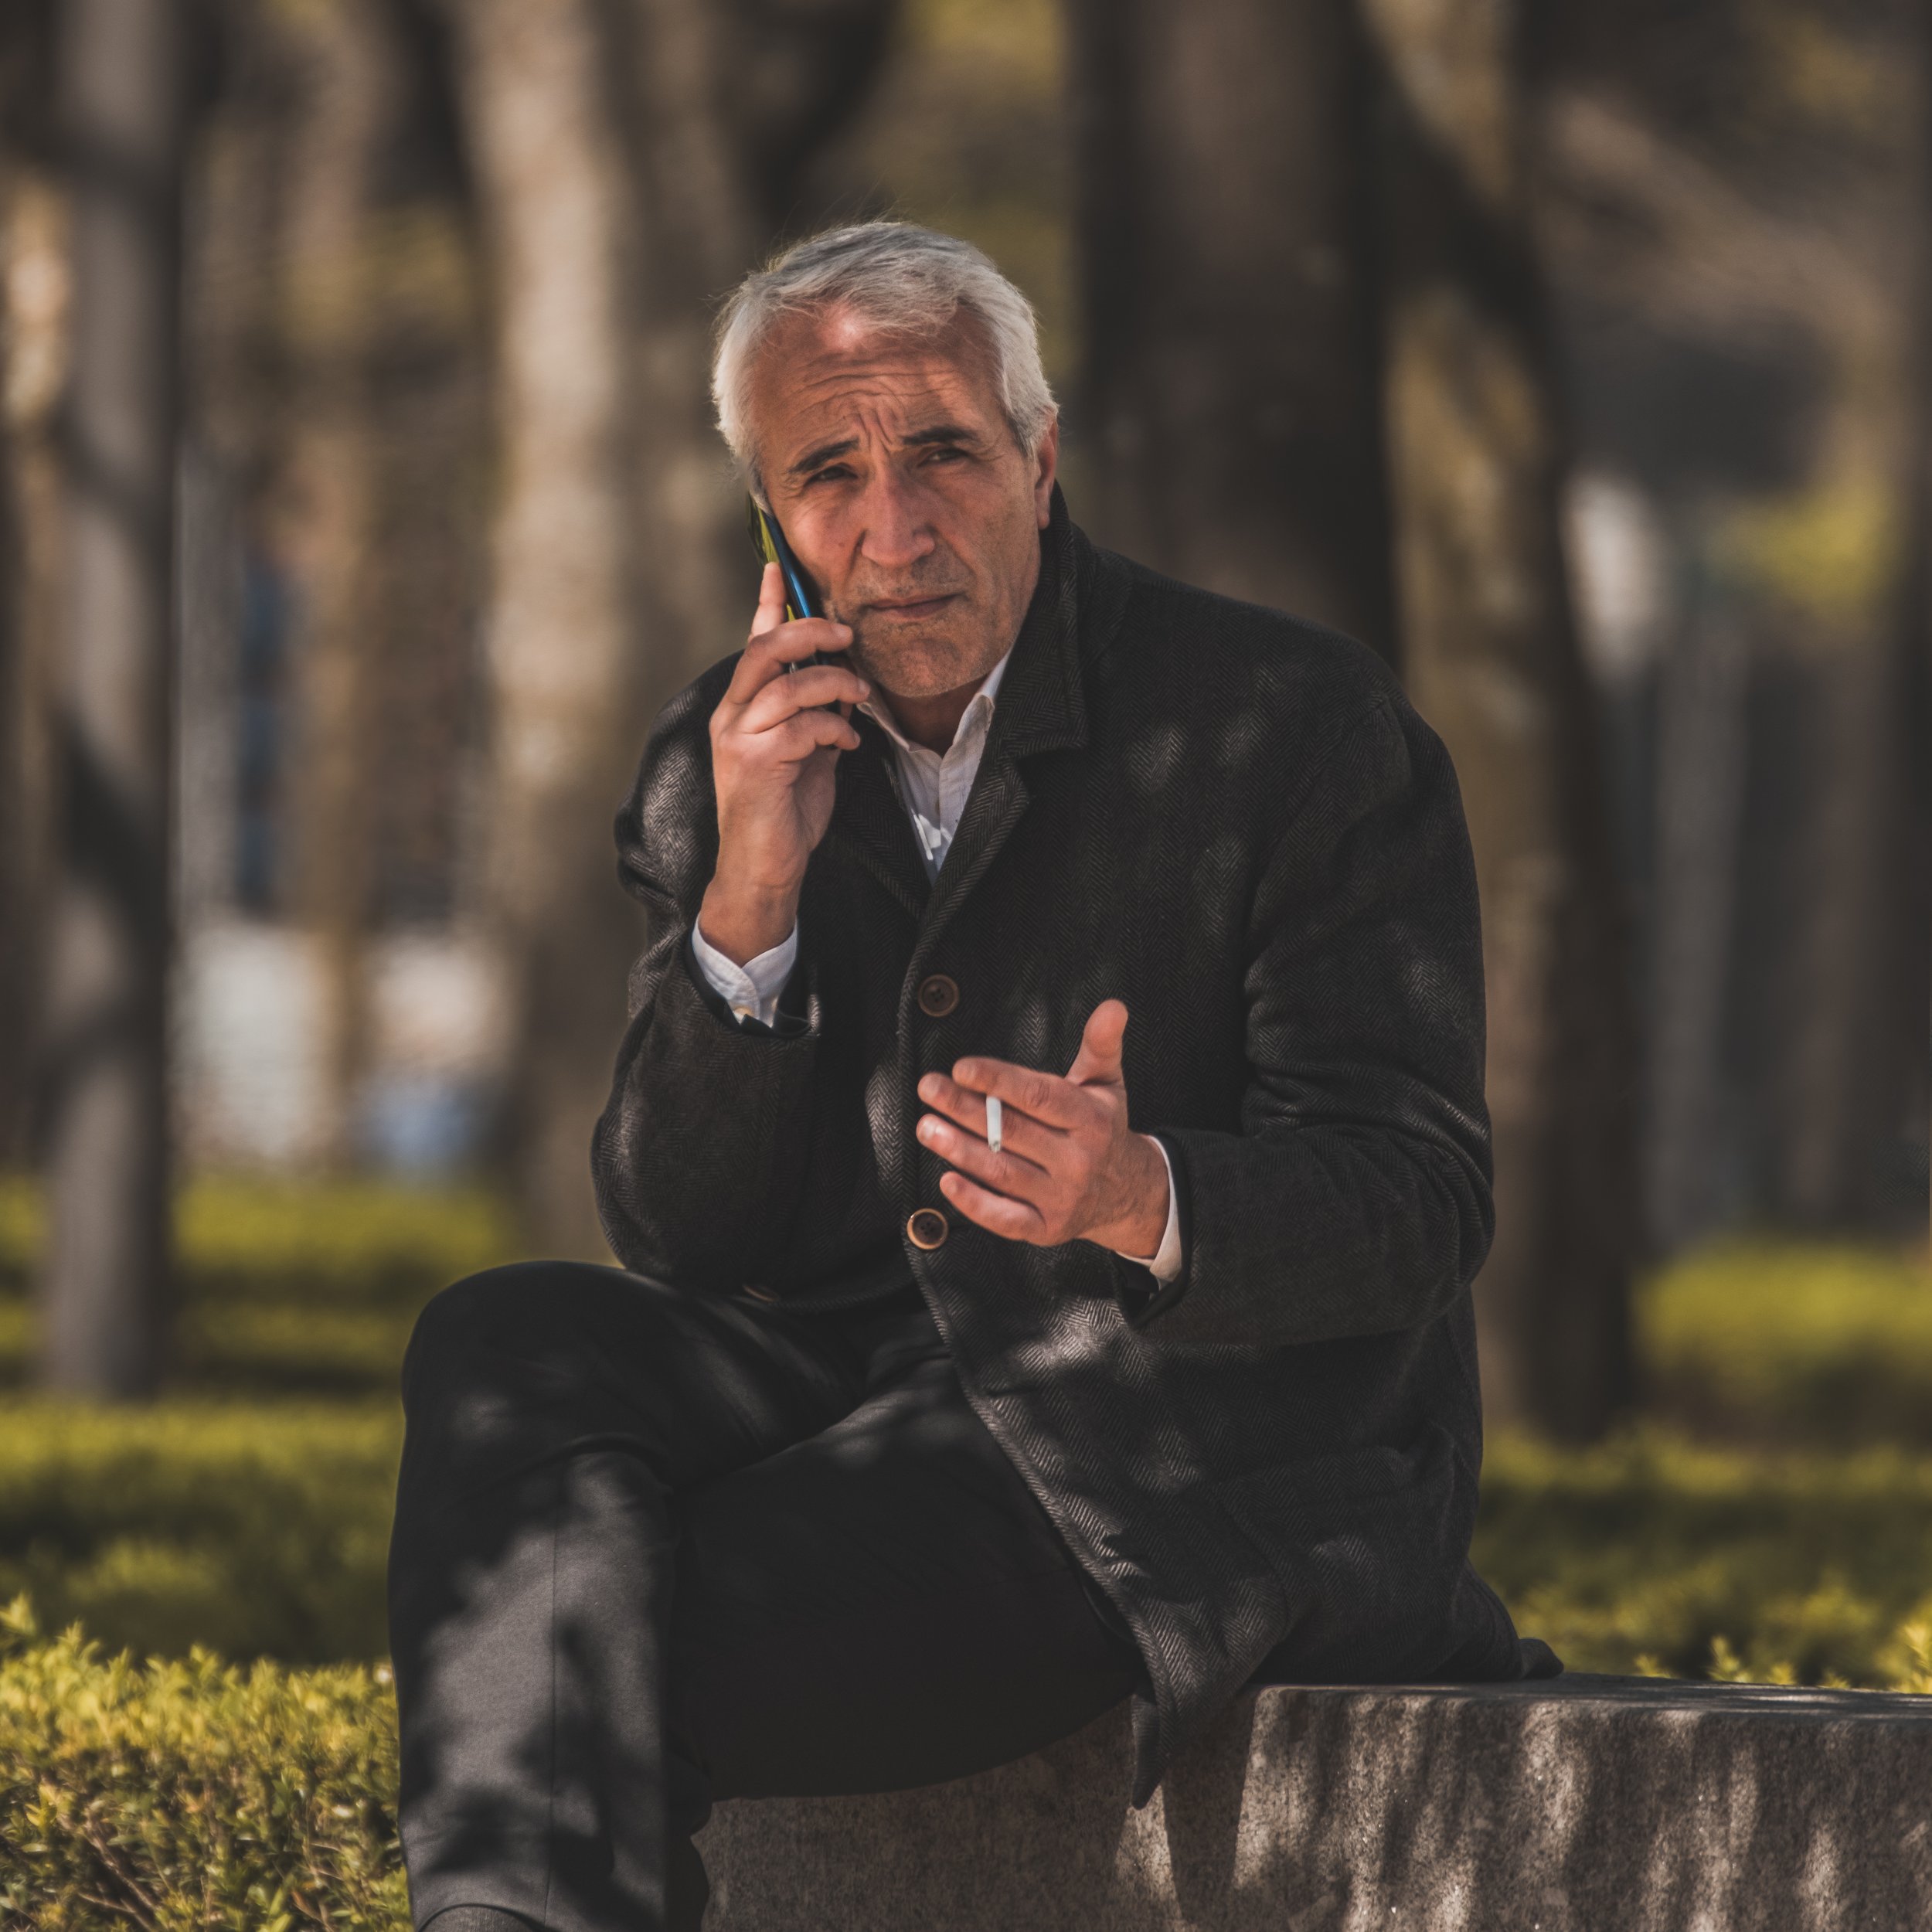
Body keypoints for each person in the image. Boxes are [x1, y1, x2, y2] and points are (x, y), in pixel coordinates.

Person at [386, 221, 1549, 1932]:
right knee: (499, 1341)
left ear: (1040, 454)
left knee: (559, 1638)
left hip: (1164, 1438)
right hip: (858, 1389)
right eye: (829, 474)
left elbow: (1423, 1198)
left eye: (941, 449)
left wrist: (1146, 1193)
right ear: (768, 519)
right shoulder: (725, 751)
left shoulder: (1293, 724)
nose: (895, 524)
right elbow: (681, 1235)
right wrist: (749, 896)